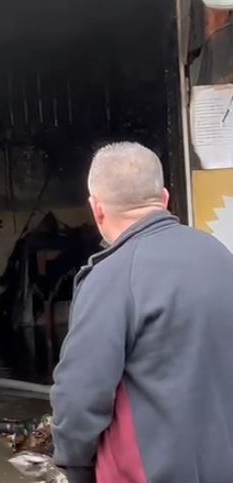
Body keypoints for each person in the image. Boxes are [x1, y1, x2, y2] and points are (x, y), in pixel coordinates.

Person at [51, 142, 233, 483]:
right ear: (164, 198)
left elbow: (80, 395)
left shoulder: (110, 278)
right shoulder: (220, 255)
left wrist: (75, 465)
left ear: (97, 209)